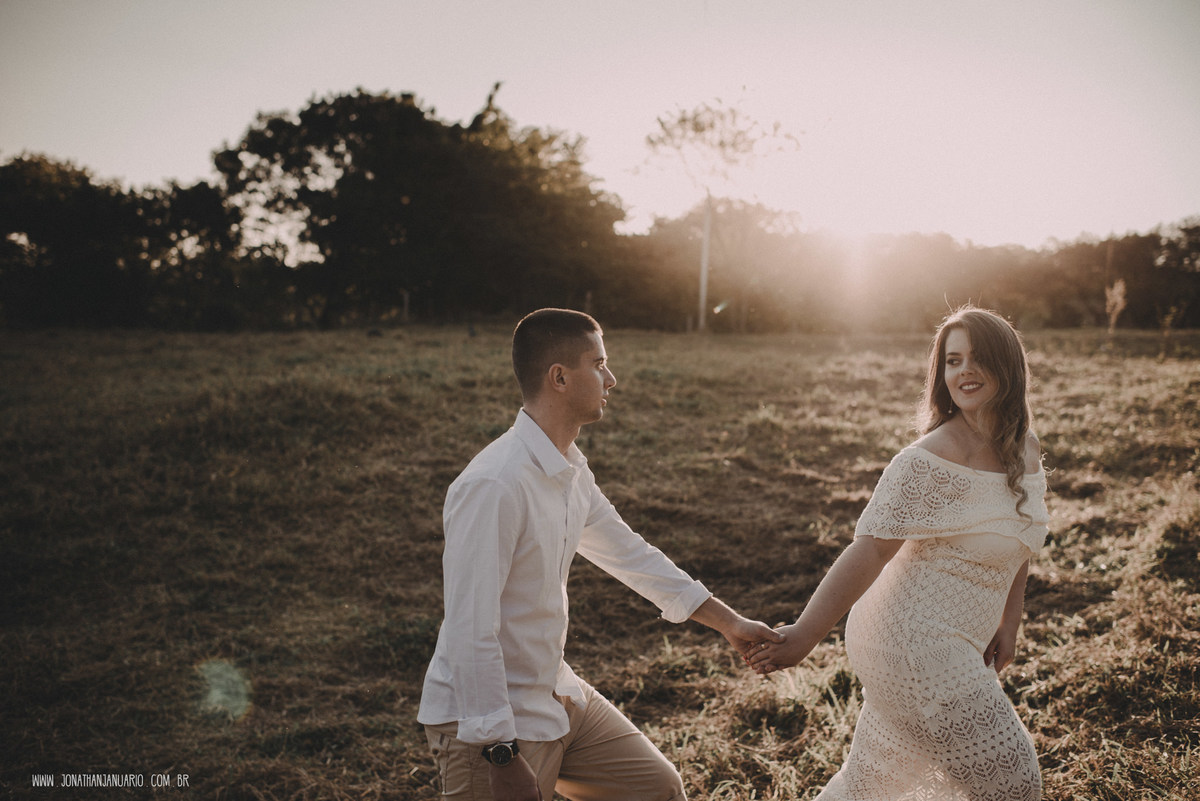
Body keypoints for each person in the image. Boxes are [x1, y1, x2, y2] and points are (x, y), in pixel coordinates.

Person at [418, 308, 783, 801]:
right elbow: (470, 630)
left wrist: (730, 623)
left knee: (656, 789)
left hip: (556, 693)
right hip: (486, 723)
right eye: (600, 363)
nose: (612, 378)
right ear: (560, 377)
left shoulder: (568, 467)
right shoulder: (494, 485)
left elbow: (632, 555)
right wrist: (500, 753)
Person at [749, 305, 1048, 801]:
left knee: (874, 785)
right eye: (953, 361)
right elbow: (868, 551)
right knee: (1013, 780)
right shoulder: (928, 459)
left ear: (1010, 367)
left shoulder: (1026, 448)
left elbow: (1021, 539)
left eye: (978, 358)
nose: (964, 371)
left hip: (959, 637)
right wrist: (803, 635)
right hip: (910, 639)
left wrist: (1009, 620)